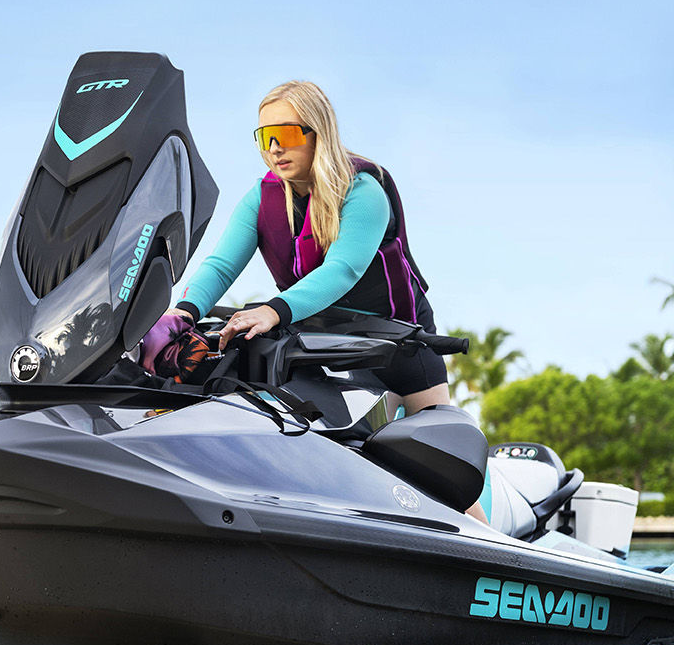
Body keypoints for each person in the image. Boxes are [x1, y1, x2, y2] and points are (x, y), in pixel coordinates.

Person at [139, 80, 483, 516]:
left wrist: (272, 310)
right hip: (321, 343)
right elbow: (221, 265)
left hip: (397, 345)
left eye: (286, 135)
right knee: (347, 464)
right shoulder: (262, 197)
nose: (275, 149)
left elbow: (344, 269)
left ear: (317, 133)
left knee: (447, 485)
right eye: (265, 138)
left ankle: (494, 558)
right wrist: (181, 314)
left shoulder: (364, 190)